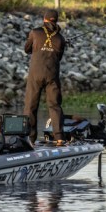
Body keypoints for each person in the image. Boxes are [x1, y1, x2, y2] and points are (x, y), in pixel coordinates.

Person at [23, 8, 66, 145]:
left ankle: (30, 138)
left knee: (30, 106)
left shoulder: (35, 32)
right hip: (52, 75)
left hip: (35, 74)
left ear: (44, 19)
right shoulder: (60, 38)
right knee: (54, 105)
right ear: (56, 21)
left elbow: (27, 49)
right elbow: (58, 57)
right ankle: (59, 137)